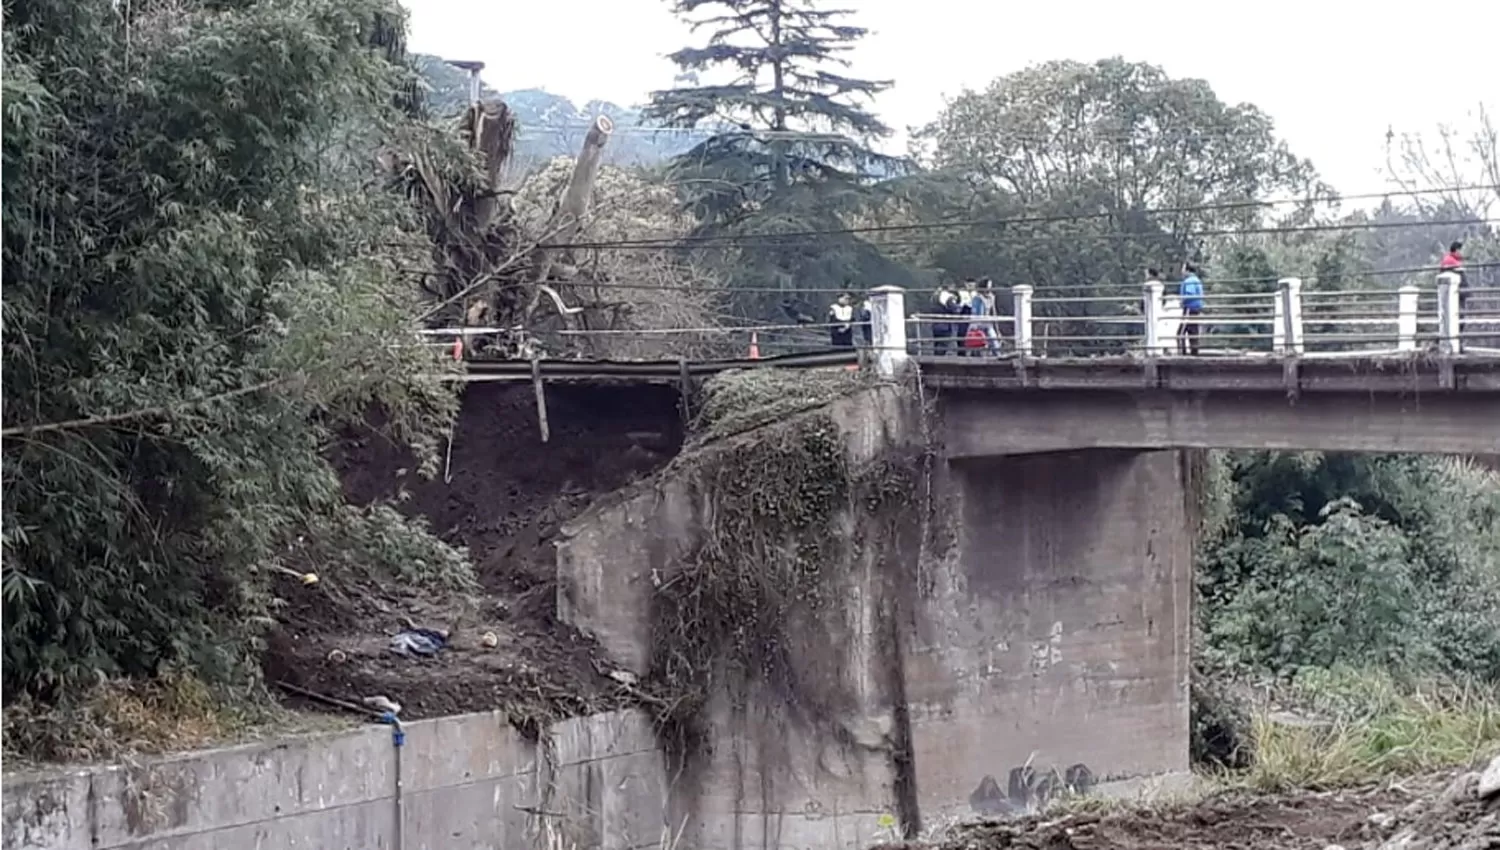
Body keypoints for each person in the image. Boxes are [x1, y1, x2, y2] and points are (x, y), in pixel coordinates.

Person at [1177, 263, 1205, 355]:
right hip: (1196, 309)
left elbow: (1190, 294)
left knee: (1180, 334)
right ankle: (1194, 353)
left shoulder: (1189, 281)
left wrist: (1182, 301)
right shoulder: (1197, 280)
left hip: (1189, 308)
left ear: (1188, 270)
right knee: (1193, 332)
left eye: (1183, 269)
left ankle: (1182, 354)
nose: (1182, 271)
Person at [931, 283, 960, 354]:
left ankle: (935, 361)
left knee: (937, 344)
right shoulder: (948, 297)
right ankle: (938, 361)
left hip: (935, 323)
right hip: (945, 325)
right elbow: (955, 309)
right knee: (943, 345)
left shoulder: (935, 296)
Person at [1441, 241, 1469, 313]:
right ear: (1457, 250)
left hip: (1456, 291)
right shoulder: (1452, 261)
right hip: (1456, 291)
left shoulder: (1451, 259)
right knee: (1458, 311)